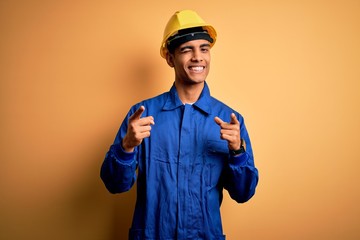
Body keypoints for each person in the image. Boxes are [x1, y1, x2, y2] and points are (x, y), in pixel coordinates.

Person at [100, 9, 259, 240]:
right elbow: (115, 185)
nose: (198, 57)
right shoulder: (142, 115)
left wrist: (237, 152)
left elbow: (243, 193)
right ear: (170, 58)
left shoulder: (230, 120)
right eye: (187, 50)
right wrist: (126, 147)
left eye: (204, 49)